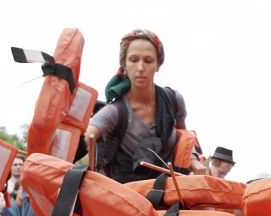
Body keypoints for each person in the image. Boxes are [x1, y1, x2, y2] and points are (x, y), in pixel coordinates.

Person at [86, 29, 205, 183]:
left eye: (148, 61)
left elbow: (183, 134)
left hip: (172, 189)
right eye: (134, 60)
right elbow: (88, 136)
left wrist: (194, 161)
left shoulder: (174, 100)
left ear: (157, 65)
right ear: (124, 65)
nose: (140, 67)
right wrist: (97, 175)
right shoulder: (115, 111)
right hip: (128, 192)